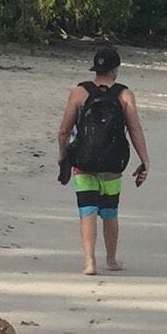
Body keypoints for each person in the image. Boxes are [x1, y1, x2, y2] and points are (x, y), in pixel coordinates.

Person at [56, 45, 149, 276]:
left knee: (87, 209)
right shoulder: (124, 94)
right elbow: (135, 129)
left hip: (83, 162)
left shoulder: (79, 92)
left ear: (95, 69)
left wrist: (63, 155)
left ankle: (89, 262)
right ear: (115, 69)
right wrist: (144, 160)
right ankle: (111, 259)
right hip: (112, 164)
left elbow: (63, 131)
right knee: (109, 211)